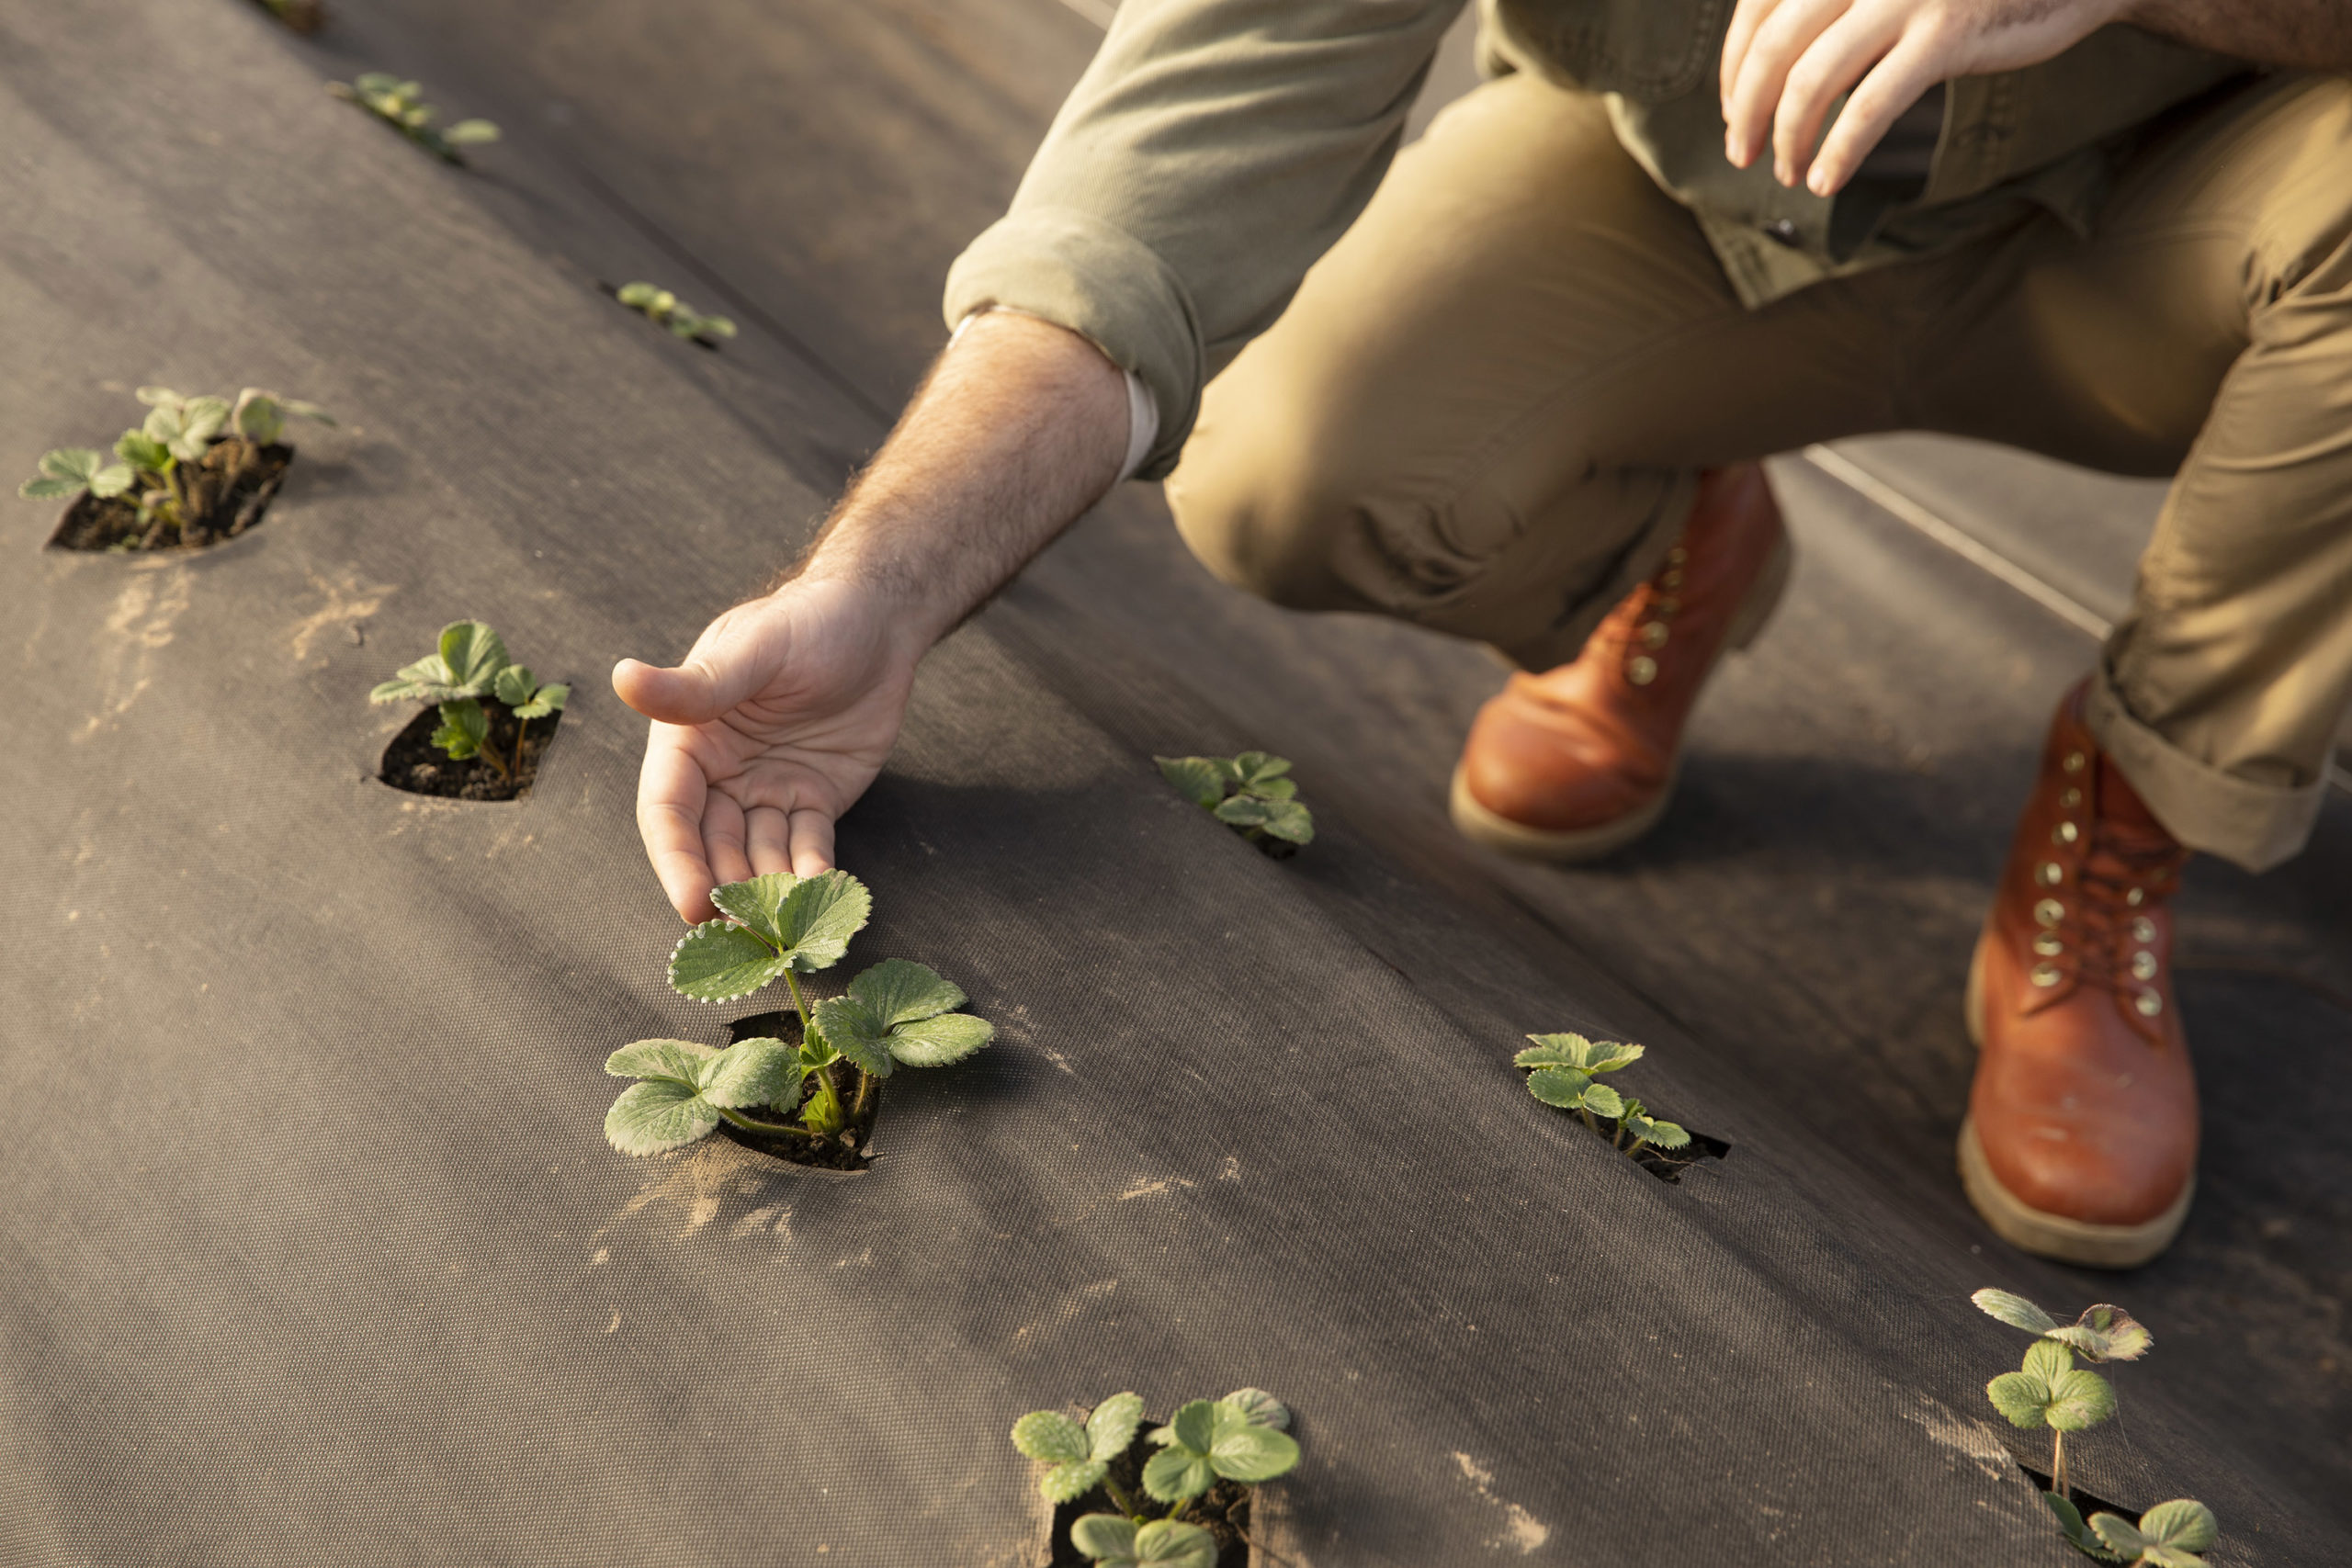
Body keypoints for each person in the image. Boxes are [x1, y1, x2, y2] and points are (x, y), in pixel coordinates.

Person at [611, 0, 2352, 1268]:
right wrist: (880, 586)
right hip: (1700, 198)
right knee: (1295, 465)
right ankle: (1672, 531)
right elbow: (1157, 178)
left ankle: (2134, 799)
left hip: (2170, 215)